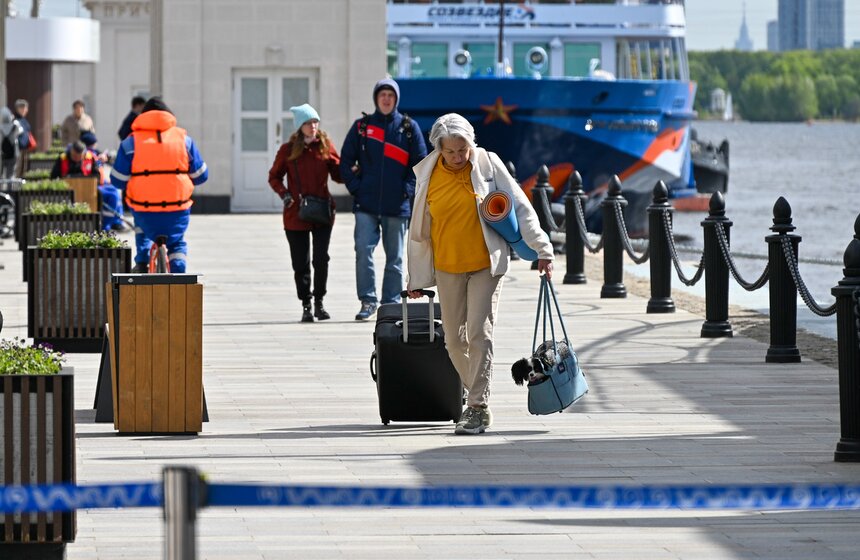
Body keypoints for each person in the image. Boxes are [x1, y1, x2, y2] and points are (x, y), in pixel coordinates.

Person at [406, 113, 554, 435]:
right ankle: (476, 387)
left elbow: (519, 202)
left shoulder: (487, 164)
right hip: (447, 266)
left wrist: (542, 249)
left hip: (486, 263)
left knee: (478, 333)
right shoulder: (427, 173)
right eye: (451, 152)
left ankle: (477, 407)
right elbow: (418, 231)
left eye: (463, 149)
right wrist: (415, 279)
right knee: (453, 342)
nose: (458, 157)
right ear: (439, 150)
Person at [340, 78, 427, 321]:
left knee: (395, 257)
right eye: (382, 95)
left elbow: (421, 165)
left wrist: (406, 190)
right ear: (376, 99)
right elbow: (345, 162)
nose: (386, 99)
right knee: (363, 252)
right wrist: (357, 188)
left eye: (391, 95)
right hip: (365, 205)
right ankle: (367, 301)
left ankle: (390, 305)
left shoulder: (409, 128)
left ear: (396, 99)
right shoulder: (362, 127)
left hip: (396, 207)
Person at [110, 97, 208, 273]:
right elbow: (201, 176)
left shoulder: (130, 143)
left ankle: (141, 261)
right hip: (177, 209)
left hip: (145, 210)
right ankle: (179, 273)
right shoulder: (185, 141)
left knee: (141, 225)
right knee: (177, 242)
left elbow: (118, 180)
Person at [268, 104, 343, 323]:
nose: (313, 126)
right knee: (300, 262)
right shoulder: (288, 149)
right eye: (309, 123)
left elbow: (338, 175)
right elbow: (274, 177)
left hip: (322, 212)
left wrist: (352, 168)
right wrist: (285, 195)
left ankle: (319, 302)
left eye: (315, 122)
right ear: (300, 126)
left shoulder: (326, 146)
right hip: (296, 214)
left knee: (321, 259)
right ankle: (306, 304)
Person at [80, 131, 128, 232]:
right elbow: (89, 172)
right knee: (113, 195)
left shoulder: (93, 153)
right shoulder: (87, 155)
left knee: (115, 189)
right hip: (91, 185)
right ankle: (106, 226)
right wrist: (97, 162)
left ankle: (116, 221)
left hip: (100, 183)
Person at [13, 99, 34, 177]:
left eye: (25, 108)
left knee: (24, 169)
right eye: (23, 108)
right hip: (17, 149)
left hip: (25, 148)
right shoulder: (15, 120)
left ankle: (21, 187)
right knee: (17, 169)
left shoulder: (24, 120)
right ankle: (15, 187)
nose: (25, 110)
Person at [0, 108, 23, 180]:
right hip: (13, 153)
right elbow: (21, 131)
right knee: (11, 172)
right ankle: (11, 189)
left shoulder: (0, 128)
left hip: (3, 154)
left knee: (2, 172)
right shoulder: (15, 126)